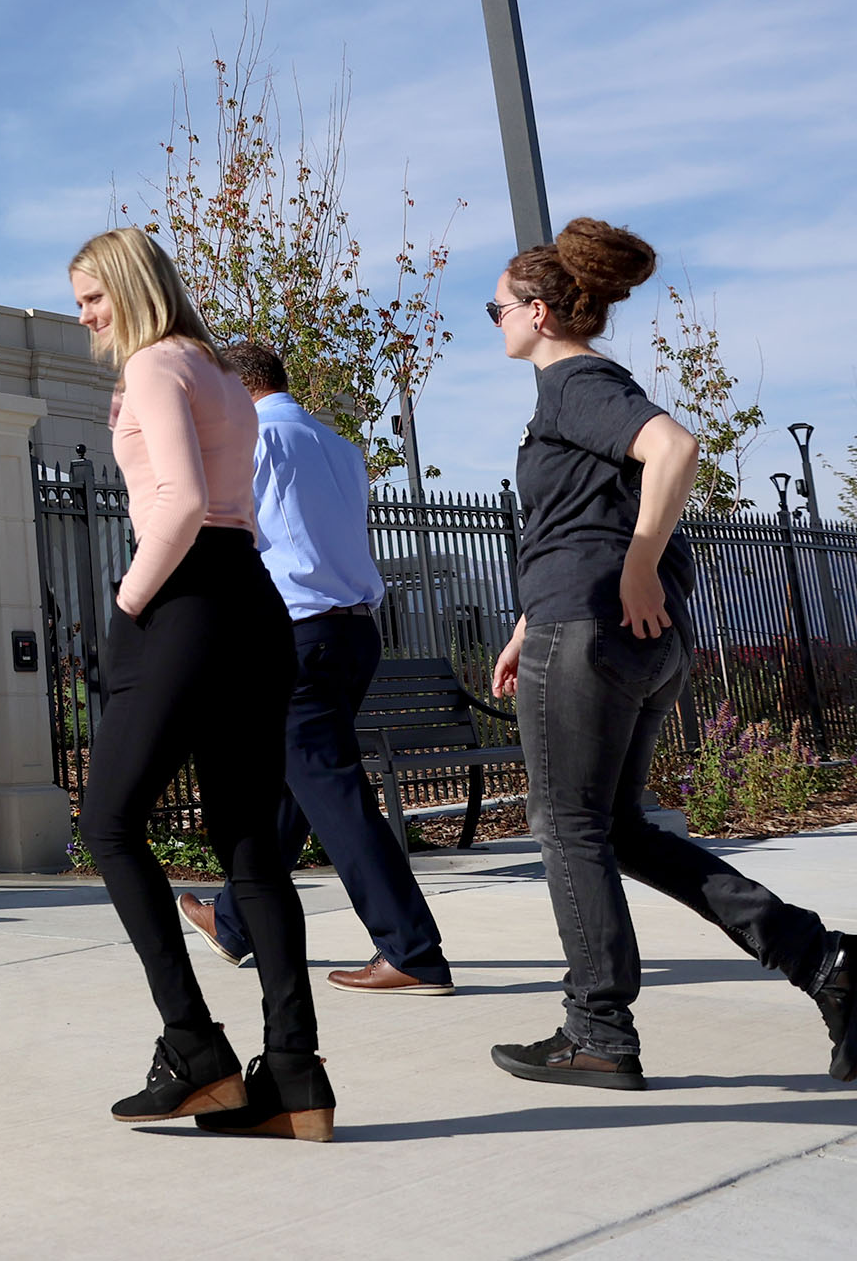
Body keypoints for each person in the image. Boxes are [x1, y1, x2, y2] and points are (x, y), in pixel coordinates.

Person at [481, 219, 854, 1090]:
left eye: (497, 304)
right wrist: (530, 622)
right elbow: (583, 521)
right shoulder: (574, 393)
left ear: (538, 311)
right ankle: (823, 961)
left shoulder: (575, 380)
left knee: (567, 828)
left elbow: (674, 447)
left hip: (597, 634)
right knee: (616, 830)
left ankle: (598, 1031)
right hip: (607, 634)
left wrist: (639, 567)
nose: (493, 317)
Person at [68, 226, 329, 1141]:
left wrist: (129, 602)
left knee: (108, 823)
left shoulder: (153, 366)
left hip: (183, 601)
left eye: (95, 297)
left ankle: (194, 1049)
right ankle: (294, 1074)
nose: (86, 317)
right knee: (248, 841)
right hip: (253, 604)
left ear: (133, 288)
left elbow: (178, 501)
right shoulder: (221, 372)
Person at [180, 341, 458, 996]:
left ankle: (412, 950)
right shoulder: (339, 446)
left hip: (293, 635)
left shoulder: (248, 441)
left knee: (332, 795)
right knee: (292, 787)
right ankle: (233, 921)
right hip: (353, 633)